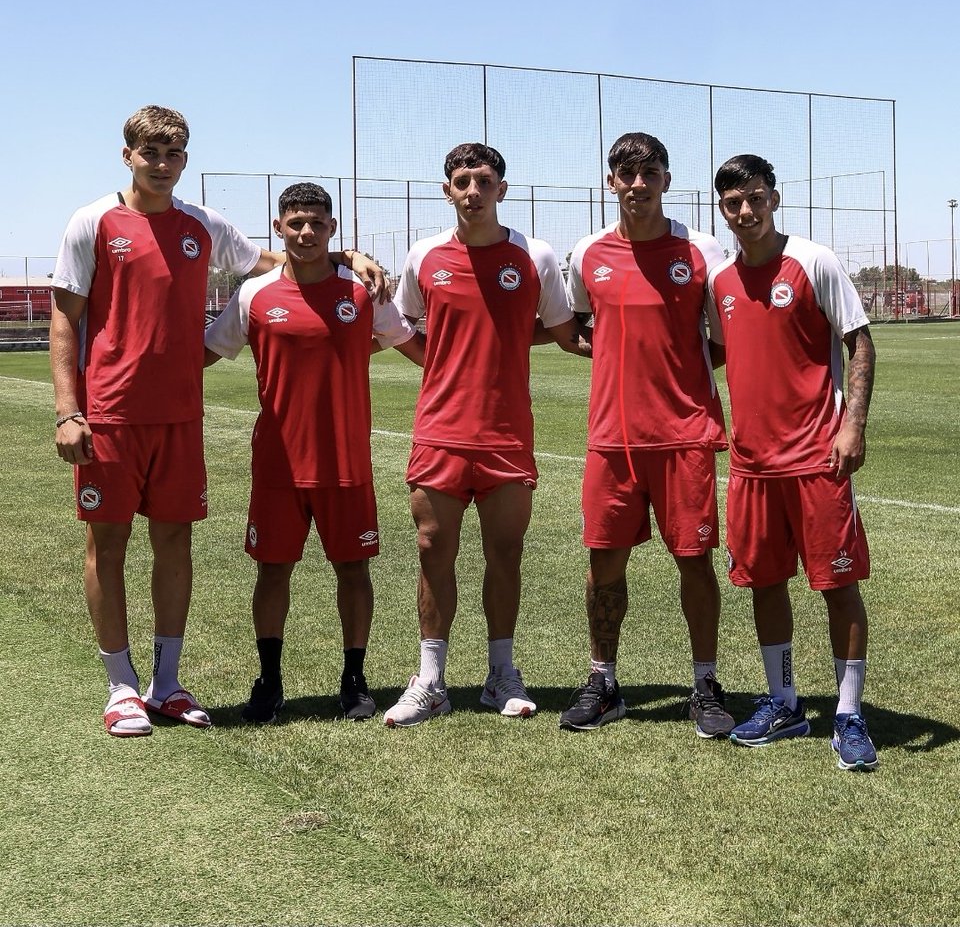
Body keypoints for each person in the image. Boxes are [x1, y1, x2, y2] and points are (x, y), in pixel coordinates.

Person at [50, 106, 384, 738]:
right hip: (110, 414)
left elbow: (282, 260)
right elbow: (65, 317)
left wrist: (347, 255)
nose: (163, 163)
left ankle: (167, 683)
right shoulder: (91, 222)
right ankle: (121, 687)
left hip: (180, 415)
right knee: (109, 544)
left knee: (175, 543)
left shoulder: (203, 226)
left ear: (185, 159)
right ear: (128, 155)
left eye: (174, 153)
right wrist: (69, 410)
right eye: (151, 152)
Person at [204, 182, 424, 724]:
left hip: (346, 463)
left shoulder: (363, 292)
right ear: (279, 228)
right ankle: (269, 681)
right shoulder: (254, 295)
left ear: (332, 229)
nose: (306, 232)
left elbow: (414, 347)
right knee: (273, 571)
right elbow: (205, 354)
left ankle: (354, 680)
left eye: (317, 224)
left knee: (353, 571)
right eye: (295, 223)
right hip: (277, 465)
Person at [382, 142, 585, 727]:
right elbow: (403, 327)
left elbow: (559, 330)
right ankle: (431, 680)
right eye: (462, 181)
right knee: (432, 551)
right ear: (447, 189)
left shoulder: (535, 256)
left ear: (502, 188)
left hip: (505, 433)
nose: (473, 190)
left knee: (506, 553)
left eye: (484, 180)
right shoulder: (424, 256)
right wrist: (444, 360)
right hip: (440, 431)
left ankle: (501, 676)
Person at [560, 131, 733, 737]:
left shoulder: (703, 250)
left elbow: (722, 338)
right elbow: (581, 328)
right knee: (603, 565)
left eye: (649, 172)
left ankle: (705, 682)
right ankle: (603, 679)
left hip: (685, 435)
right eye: (626, 173)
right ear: (611, 181)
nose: (637, 184)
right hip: (612, 438)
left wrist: (675, 375)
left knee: (694, 562)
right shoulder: (588, 252)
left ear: (666, 179)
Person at [709, 154, 878, 771]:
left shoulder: (813, 261)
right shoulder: (720, 283)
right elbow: (716, 355)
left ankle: (849, 713)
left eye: (755, 198)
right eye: (733, 203)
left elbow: (859, 341)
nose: (746, 212)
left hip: (817, 458)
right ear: (722, 209)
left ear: (774, 199)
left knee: (838, 585)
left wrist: (851, 425)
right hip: (752, 465)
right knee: (764, 582)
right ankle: (784, 702)